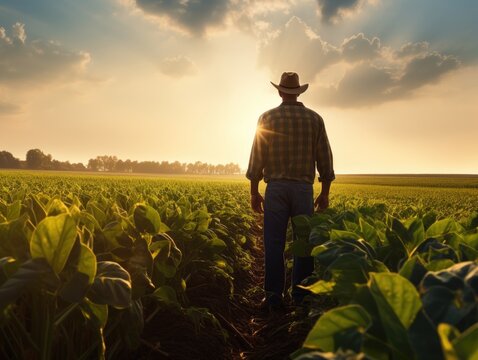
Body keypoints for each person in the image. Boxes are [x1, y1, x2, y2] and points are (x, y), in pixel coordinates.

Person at [246, 72, 335, 311]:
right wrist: (324, 191)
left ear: (279, 91)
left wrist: (254, 192)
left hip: (275, 188)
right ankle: (301, 295)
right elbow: (325, 158)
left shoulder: (267, 118)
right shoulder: (315, 119)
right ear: (299, 92)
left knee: (273, 243)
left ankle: (274, 296)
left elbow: (257, 158)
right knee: (303, 243)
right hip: (303, 189)